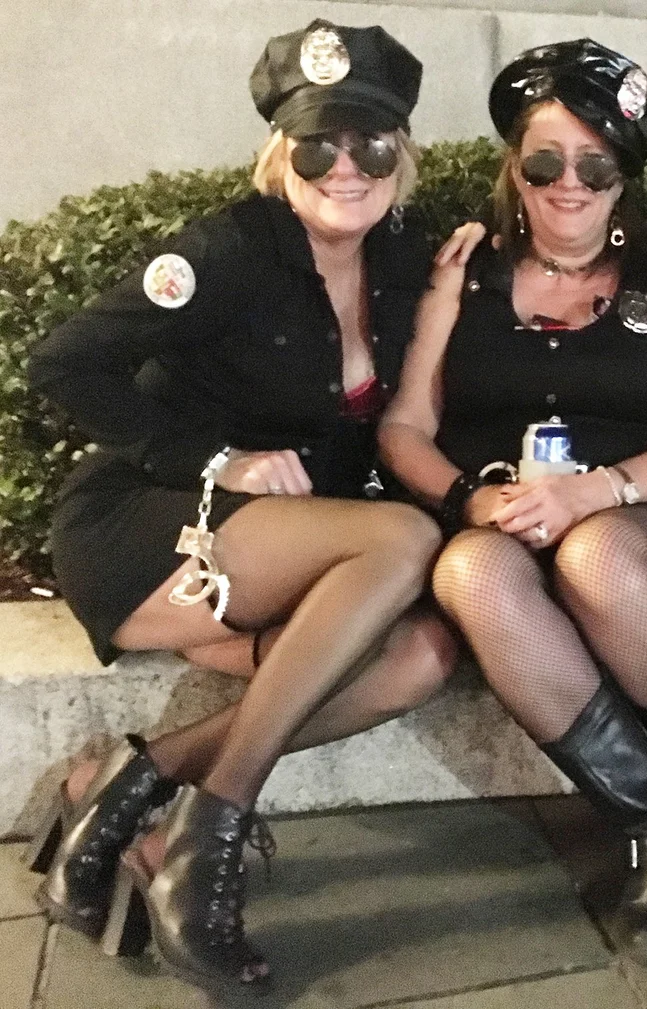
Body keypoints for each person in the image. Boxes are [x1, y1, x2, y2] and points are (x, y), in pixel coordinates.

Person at [25, 21, 458, 993]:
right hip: (148, 520)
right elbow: (63, 363)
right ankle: (207, 836)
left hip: (281, 544)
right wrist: (219, 461)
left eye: (369, 144)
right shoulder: (227, 251)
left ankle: (130, 786)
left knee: (423, 654)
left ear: (399, 154)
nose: (344, 168)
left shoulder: (402, 257)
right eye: (317, 146)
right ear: (280, 154)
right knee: (404, 539)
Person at [379, 40, 647, 970]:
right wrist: (469, 498)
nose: (570, 185)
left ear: (623, 177)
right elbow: (404, 427)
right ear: (515, 169)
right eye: (546, 162)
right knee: (471, 573)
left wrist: (594, 490)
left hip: (625, 508)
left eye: (596, 166)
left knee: (592, 554)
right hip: (494, 510)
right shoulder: (462, 273)